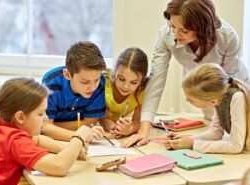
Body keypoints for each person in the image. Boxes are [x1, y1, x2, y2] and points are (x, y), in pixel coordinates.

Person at [121, 0, 249, 148]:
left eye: (184, 30)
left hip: (235, 93)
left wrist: (193, 143)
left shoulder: (228, 36)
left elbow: (227, 86)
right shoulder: (166, 35)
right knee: (217, 133)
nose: (175, 34)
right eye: (172, 26)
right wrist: (144, 130)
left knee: (240, 141)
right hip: (207, 97)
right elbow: (156, 80)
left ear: (202, 28)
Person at [0, 78, 96, 185]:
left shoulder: (1, 125)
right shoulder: (15, 140)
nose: (45, 118)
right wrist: (79, 138)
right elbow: (58, 166)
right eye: (40, 114)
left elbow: (38, 140)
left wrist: (68, 150)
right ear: (20, 117)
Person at [163, 63, 250, 153]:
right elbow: (215, 132)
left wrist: (192, 144)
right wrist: (188, 139)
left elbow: (235, 146)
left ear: (212, 101)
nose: (186, 100)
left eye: (191, 100)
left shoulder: (237, 97)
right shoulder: (219, 96)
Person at [42, 41, 106, 141]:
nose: (93, 87)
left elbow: (90, 122)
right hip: (55, 141)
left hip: (65, 137)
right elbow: (45, 128)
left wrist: (53, 126)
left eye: (96, 80)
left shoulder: (100, 82)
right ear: (67, 75)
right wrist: (80, 135)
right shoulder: (51, 84)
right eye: (85, 82)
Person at [100, 47, 149, 138]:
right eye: (121, 79)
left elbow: (137, 122)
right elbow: (103, 119)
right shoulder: (104, 83)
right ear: (115, 73)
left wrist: (129, 129)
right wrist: (113, 127)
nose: (126, 86)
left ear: (142, 80)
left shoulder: (141, 91)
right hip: (98, 129)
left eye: (133, 82)